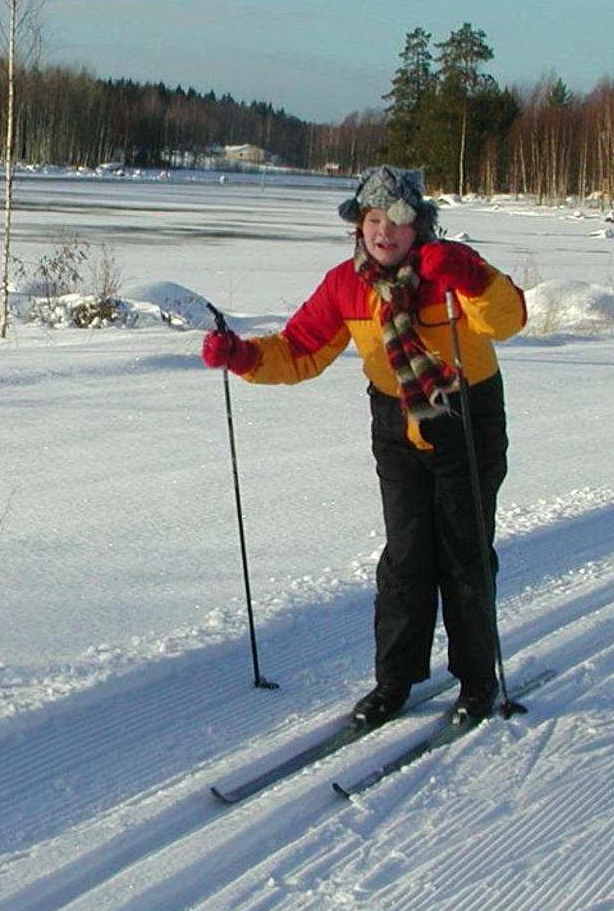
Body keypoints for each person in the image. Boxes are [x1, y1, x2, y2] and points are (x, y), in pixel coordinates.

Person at [201, 165, 527, 727]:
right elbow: (300, 348)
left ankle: (476, 681)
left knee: (464, 554)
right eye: (374, 220)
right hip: (396, 422)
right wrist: (243, 357)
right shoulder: (346, 285)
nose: (385, 232)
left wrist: (471, 276)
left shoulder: (449, 269)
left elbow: (509, 319)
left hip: (466, 418)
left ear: (418, 225)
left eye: (398, 221)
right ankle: (394, 682)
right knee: (405, 558)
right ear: (359, 226)